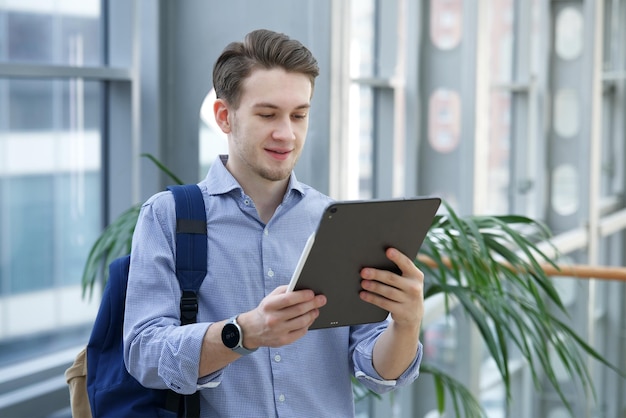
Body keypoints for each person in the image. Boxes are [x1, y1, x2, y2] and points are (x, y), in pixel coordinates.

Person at [124, 28, 424, 417]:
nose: (287, 133)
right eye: (267, 114)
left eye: (299, 115)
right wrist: (242, 333)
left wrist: (406, 324)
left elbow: (377, 371)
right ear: (224, 116)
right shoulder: (168, 217)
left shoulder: (334, 222)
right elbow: (143, 354)